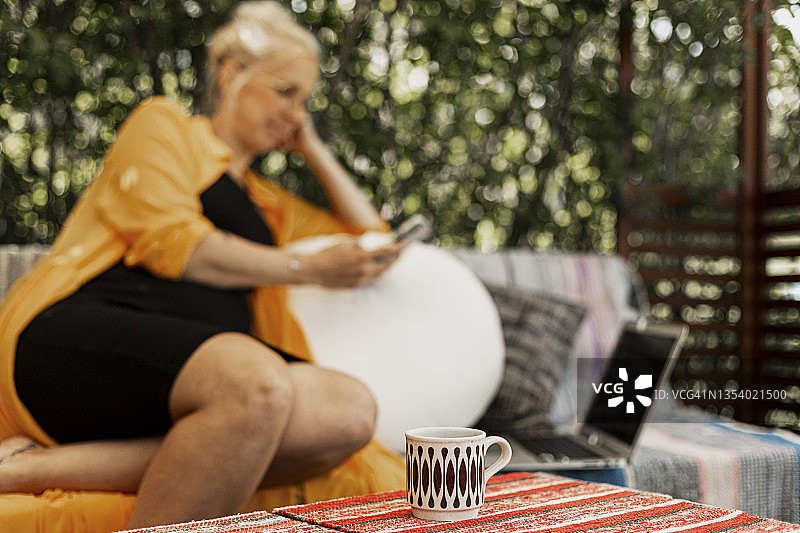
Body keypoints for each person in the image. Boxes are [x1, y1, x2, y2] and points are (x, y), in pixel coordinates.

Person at [0, 1, 406, 528]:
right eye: (284, 92)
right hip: (75, 336)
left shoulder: (269, 203)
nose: (294, 113)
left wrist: (312, 147)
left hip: (211, 378)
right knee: (255, 381)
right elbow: (177, 245)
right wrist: (307, 269)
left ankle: (32, 469)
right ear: (232, 74)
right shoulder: (164, 126)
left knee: (346, 410)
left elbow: (373, 241)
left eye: (305, 102)